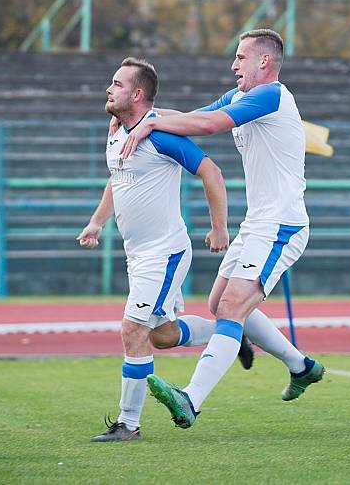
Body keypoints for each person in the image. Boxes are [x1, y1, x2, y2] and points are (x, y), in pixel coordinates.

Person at [119, 29, 324, 429]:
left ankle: (190, 400)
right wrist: (145, 121)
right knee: (220, 305)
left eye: (241, 57)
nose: (234, 65)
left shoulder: (272, 95)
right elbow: (193, 116)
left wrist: (148, 125)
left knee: (232, 307)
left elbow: (209, 126)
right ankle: (301, 366)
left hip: (282, 222)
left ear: (264, 62)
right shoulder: (240, 97)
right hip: (259, 221)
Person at [77, 57, 234, 442]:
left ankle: (128, 424)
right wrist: (98, 221)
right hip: (139, 255)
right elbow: (117, 179)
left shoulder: (161, 135)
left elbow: (211, 171)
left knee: (133, 330)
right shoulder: (117, 132)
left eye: (116, 83)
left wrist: (219, 228)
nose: (108, 89)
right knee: (161, 335)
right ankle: (231, 333)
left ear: (138, 93)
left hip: (164, 253)